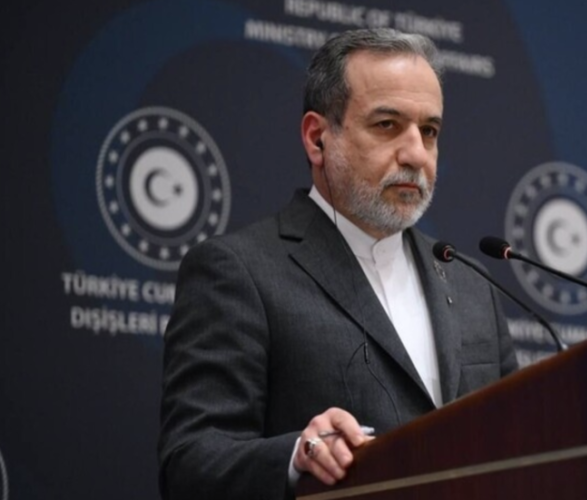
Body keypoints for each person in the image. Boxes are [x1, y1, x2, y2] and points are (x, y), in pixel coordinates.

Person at [158, 28, 518, 500]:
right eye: (387, 124)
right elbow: (190, 463)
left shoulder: (472, 284)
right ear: (317, 139)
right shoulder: (238, 272)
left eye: (429, 131)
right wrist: (297, 456)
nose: (416, 154)